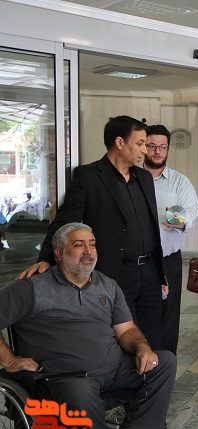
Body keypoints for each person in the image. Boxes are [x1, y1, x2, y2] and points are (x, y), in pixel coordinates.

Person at [0, 223, 176, 429]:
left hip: (114, 369)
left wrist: (142, 348)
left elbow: (126, 330)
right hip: (66, 377)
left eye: (92, 244)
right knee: (79, 390)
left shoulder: (107, 285)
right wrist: (10, 360)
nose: (88, 251)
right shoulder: (32, 288)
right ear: (59, 253)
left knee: (164, 362)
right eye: (79, 245)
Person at [17, 115, 167, 349]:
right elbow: (64, 222)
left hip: (149, 274)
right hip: (115, 273)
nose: (144, 150)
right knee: (122, 340)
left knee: (152, 339)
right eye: (140, 143)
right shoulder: (88, 176)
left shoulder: (144, 177)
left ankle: (153, 374)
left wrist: (160, 273)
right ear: (119, 142)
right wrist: (46, 258)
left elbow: (150, 227)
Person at [143, 124, 198, 355]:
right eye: (152, 146)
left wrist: (176, 219)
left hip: (168, 260)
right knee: (135, 314)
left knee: (168, 316)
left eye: (163, 147)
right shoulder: (131, 177)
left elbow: (190, 213)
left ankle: (165, 364)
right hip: (137, 261)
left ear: (168, 149)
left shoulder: (179, 182)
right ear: (143, 147)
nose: (158, 151)